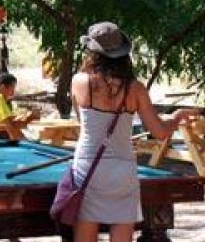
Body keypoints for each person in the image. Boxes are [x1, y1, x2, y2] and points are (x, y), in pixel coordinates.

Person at [71, 21, 198, 242]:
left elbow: (84, 124)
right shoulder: (135, 88)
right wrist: (177, 118)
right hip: (123, 170)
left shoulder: (79, 82)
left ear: (92, 52)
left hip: (87, 167)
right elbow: (160, 132)